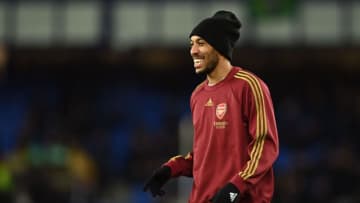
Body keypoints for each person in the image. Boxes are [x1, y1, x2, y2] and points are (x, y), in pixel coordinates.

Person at [144, 10, 279, 203]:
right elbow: (205, 155)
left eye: (201, 43)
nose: (193, 51)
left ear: (219, 48)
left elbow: (265, 146)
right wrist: (171, 169)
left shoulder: (249, 86)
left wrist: (235, 188)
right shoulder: (197, 95)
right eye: (191, 44)